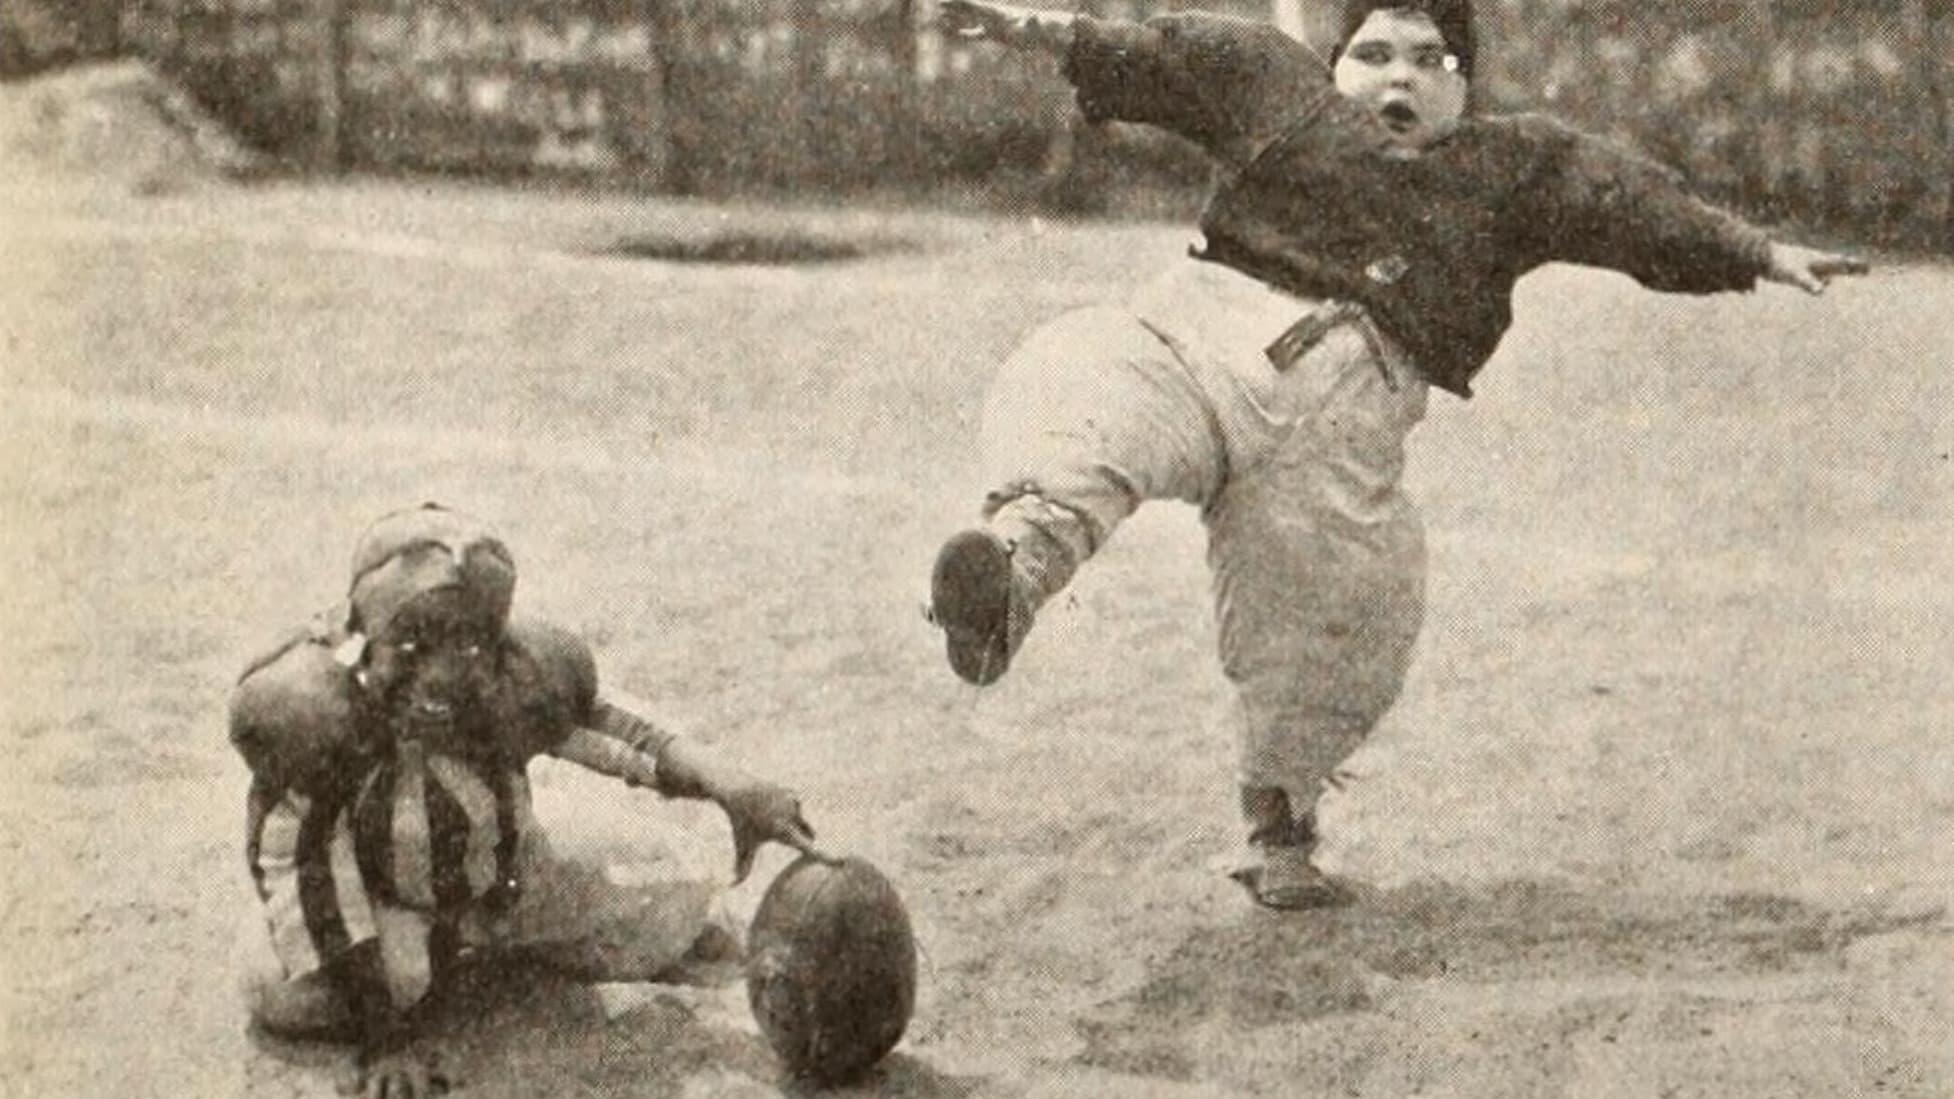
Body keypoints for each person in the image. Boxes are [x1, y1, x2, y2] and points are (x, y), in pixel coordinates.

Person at [927, 0, 1866, 908]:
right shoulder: (1279, 90)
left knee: (1343, 620)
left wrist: (1751, 250)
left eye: (1430, 59)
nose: (1400, 77)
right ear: (1338, 66)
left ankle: (1280, 828)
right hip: (1198, 344)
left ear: (1467, 90)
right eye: (1375, 53)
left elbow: (1627, 202)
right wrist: (1040, 28)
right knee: (1086, 390)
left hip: (1344, 429)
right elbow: (1161, 57)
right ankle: (1008, 583)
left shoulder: (1512, 166)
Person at [229, 504, 825, 1099]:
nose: (438, 675)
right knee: (280, 985)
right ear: (364, 638)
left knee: (675, 893)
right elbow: (309, 875)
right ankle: (433, 960)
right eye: (413, 645)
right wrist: (389, 1036)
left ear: (496, 644)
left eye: (465, 648)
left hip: (508, 879)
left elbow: (609, 729)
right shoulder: (317, 717)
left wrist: (730, 784)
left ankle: (474, 944)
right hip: (386, 904)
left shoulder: (509, 680)